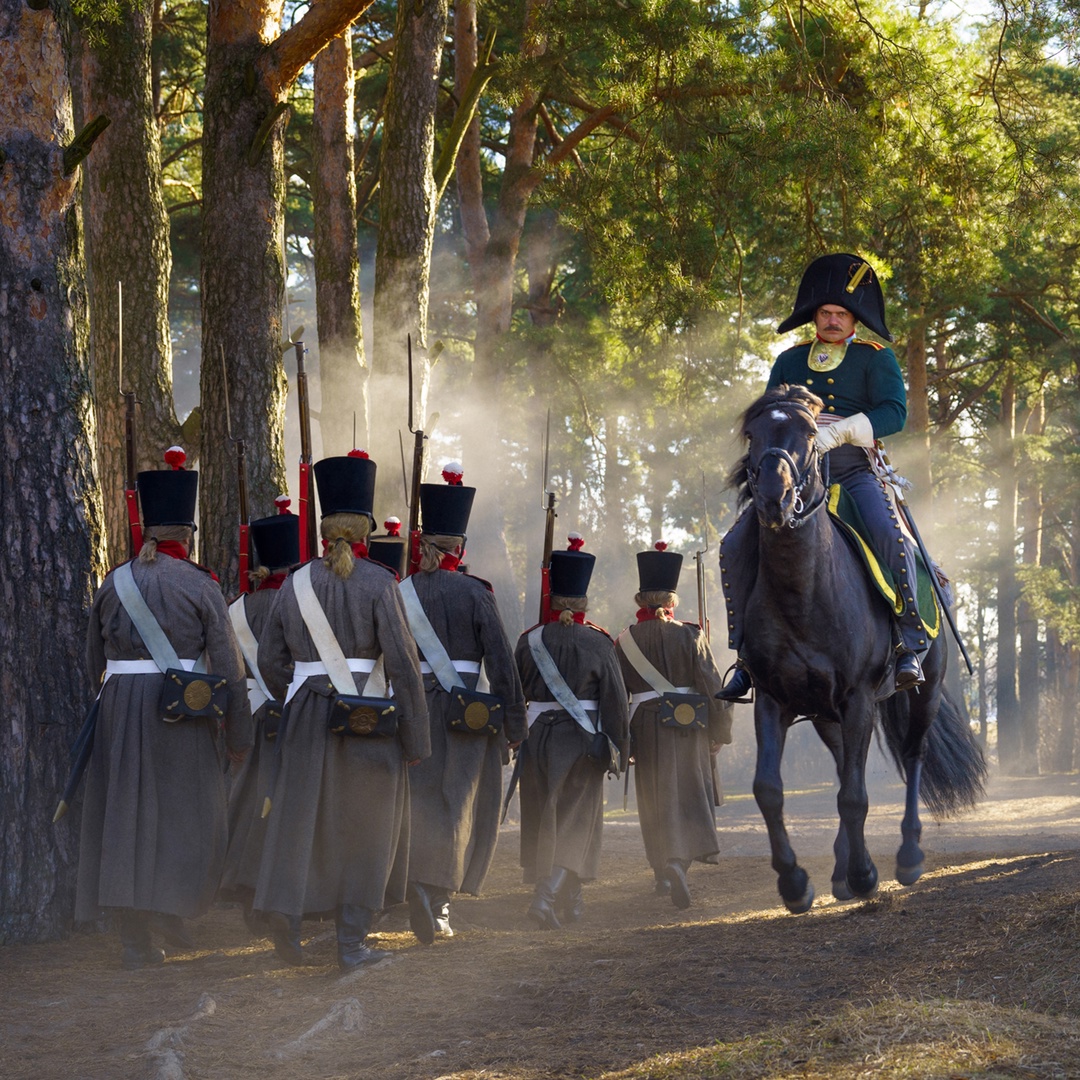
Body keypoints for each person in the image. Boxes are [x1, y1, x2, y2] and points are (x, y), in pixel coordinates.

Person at [717, 252, 926, 701]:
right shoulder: (789, 361)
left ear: (855, 320)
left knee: (891, 537)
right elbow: (768, 414)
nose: (832, 320)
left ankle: (908, 641)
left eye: (841, 314)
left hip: (852, 472)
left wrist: (842, 432)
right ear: (815, 317)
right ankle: (746, 659)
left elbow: (894, 413)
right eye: (825, 313)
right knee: (735, 545)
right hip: (794, 478)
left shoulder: (876, 358)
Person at [252, 450, 429, 971]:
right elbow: (402, 661)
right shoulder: (380, 582)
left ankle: (286, 922)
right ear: (367, 531)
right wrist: (415, 739)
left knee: (298, 821)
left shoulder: (294, 582)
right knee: (366, 826)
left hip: (306, 715)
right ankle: (351, 944)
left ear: (326, 529)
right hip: (368, 719)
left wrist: (305, 690)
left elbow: (268, 659)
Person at [76, 447, 252, 970]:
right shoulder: (200, 585)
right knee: (185, 814)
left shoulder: (114, 581)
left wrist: (113, 705)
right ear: (188, 535)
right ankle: (167, 912)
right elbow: (228, 668)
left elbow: (93, 660)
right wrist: (238, 734)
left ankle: (136, 938)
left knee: (124, 818)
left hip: (120, 707)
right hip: (181, 710)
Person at [397, 462, 528, 942]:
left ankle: (416, 882)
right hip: (466, 713)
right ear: (461, 548)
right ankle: (438, 899)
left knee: (420, 801)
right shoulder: (476, 592)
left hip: (413, 708)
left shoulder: (400, 591)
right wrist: (514, 722)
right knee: (458, 806)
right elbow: (501, 660)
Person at [514, 534, 630, 929]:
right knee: (576, 823)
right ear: (583, 601)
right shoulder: (598, 642)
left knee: (544, 818)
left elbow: (515, 693)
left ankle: (570, 896)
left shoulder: (528, 641)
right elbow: (616, 702)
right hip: (581, 743)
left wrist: (514, 738)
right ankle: (544, 898)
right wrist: (618, 747)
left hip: (536, 740)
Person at [615, 542, 733, 909]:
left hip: (645, 727)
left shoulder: (623, 641)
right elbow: (714, 687)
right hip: (689, 724)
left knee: (655, 798)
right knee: (689, 794)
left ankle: (662, 870)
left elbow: (617, 696)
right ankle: (680, 863)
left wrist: (624, 742)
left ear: (641, 598)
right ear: (671, 599)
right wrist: (719, 732)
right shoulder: (691, 634)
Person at [219, 495, 299, 933]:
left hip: (249, 713)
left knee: (248, 802)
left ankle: (248, 889)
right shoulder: (302, 603)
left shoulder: (234, 609)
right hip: (292, 710)